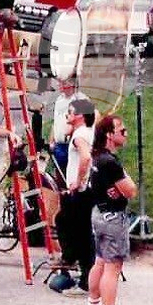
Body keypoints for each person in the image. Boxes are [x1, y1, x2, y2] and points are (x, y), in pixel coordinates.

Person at [85, 114, 138, 305]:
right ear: (109, 135)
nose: (125, 134)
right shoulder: (111, 162)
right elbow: (131, 190)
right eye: (122, 131)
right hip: (112, 217)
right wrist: (124, 179)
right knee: (112, 267)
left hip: (98, 213)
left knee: (99, 261)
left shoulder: (98, 158)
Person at [55, 98, 97, 295]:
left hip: (80, 191)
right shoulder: (87, 131)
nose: (67, 116)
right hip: (85, 190)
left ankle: (81, 275)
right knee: (66, 222)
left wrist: (78, 181)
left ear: (80, 116)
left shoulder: (79, 135)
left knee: (78, 231)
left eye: (70, 112)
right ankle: (75, 263)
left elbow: (86, 157)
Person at [47, 77, 90, 182]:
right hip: (59, 145)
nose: (59, 84)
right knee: (60, 176)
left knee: (73, 176)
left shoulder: (81, 100)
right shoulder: (59, 100)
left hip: (73, 145)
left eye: (63, 82)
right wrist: (51, 140)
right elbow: (56, 122)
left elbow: (87, 123)